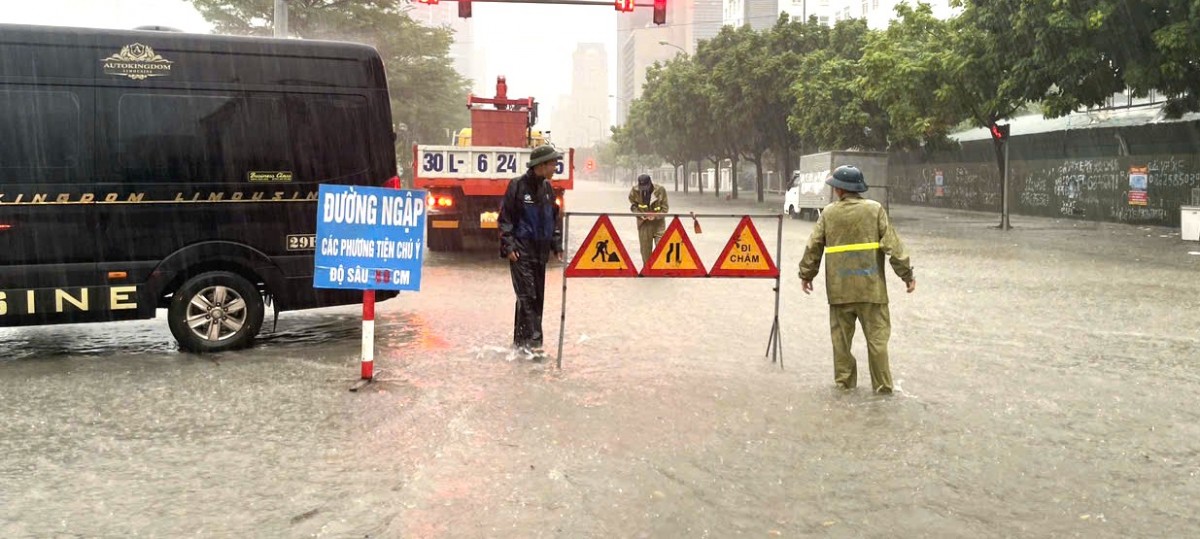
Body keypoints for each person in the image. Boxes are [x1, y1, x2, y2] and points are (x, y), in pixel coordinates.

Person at [798, 165, 916, 394]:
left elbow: (814, 247)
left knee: (841, 345)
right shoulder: (875, 210)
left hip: (839, 291)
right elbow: (894, 247)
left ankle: (844, 389)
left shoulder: (828, 214)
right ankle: (883, 390)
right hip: (872, 292)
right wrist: (907, 275)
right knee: (878, 343)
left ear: (839, 190)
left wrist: (806, 274)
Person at [498, 145, 564, 358]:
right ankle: (535, 345)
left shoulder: (548, 189)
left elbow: (552, 220)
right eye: (553, 164)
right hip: (521, 251)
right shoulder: (517, 186)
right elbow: (505, 219)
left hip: (540, 253)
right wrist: (509, 246)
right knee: (528, 296)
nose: (555, 167)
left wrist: (556, 245)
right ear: (541, 165)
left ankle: (520, 345)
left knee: (535, 299)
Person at [628, 174, 669, 265]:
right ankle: (647, 270)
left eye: (645, 186)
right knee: (645, 251)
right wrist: (640, 215)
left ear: (650, 183)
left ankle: (659, 269)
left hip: (659, 224)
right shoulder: (635, 191)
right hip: (644, 224)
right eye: (642, 187)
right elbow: (633, 206)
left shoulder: (660, 190)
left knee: (662, 248)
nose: (644, 189)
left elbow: (665, 209)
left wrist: (655, 216)